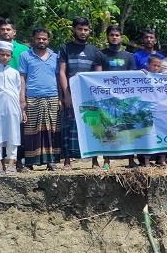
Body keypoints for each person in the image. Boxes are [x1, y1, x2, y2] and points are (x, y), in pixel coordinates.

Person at [58, 17, 100, 170]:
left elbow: (98, 76)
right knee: (70, 128)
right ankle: (67, 161)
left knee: (92, 126)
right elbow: (62, 73)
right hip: (71, 95)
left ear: (89, 31)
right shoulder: (65, 48)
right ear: (74, 30)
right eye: (80, 29)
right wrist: (66, 94)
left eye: (86, 29)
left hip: (89, 97)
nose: (83, 32)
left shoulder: (95, 51)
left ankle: (95, 161)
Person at [93, 25, 137, 169]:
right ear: (108, 37)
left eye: (117, 35)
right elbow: (97, 77)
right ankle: (107, 161)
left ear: (121, 37)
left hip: (124, 99)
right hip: (107, 99)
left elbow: (132, 77)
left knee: (127, 128)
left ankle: (131, 160)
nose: (114, 37)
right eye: (112, 35)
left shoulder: (128, 56)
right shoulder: (101, 54)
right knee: (109, 129)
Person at [19, 28, 61, 171]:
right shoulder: (25, 55)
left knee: (51, 131)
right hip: (32, 97)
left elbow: (58, 78)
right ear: (34, 39)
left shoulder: (55, 57)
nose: (41, 41)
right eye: (38, 38)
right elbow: (22, 78)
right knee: (32, 131)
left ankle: (51, 162)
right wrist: (22, 98)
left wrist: (60, 98)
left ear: (48, 40)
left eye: (44, 39)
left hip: (52, 97)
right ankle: (30, 162)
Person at [0, 41, 26, 175]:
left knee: (13, 133)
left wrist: (22, 110)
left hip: (13, 107)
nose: (5, 57)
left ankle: (11, 164)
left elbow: (19, 92)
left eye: (8, 55)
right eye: (2, 54)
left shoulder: (14, 72)